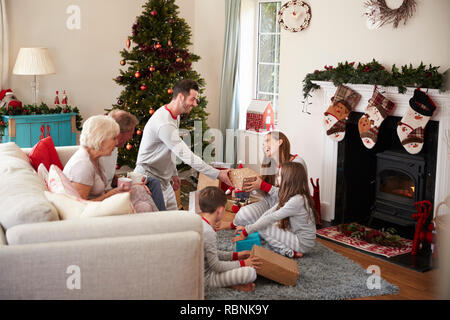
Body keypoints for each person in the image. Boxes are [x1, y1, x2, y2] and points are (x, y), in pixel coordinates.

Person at [135, 79, 232, 210]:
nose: (195, 104)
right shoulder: (164, 123)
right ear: (181, 97)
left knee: (175, 220)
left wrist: (174, 173)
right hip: (149, 178)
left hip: (164, 180)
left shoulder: (175, 116)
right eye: (192, 99)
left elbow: (170, 149)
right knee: (160, 223)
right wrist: (218, 174)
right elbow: (186, 155)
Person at [219, 131, 308, 230]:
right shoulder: (270, 165)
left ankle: (257, 228)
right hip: (270, 204)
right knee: (244, 213)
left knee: (273, 227)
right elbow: (267, 195)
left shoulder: (296, 163)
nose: (264, 145)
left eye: (267, 141)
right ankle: (234, 225)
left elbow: (290, 196)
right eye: (263, 144)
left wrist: (262, 185)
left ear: (279, 142)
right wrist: (253, 186)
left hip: (289, 208)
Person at [232, 162, 317, 258]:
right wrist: (249, 227)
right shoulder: (291, 196)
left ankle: (288, 251)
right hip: (297, 237)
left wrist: (247, 231)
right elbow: (269, 213)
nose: (277, 178)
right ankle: (288, 250)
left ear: (288, 180)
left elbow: (272, 217)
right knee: (263, 224)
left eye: (280, 176)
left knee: (263, 227)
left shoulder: (297, 200)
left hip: (303, 244)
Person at [100, 109, 166, 211]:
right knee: (142, 193)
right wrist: (130, 187)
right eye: (130, 133)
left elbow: (108, 176)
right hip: (107, 195)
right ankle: (162, 219)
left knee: (152, 182)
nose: (131, 137)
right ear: (119, 132)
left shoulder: (114, 148)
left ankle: (161, 217)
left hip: (112, 189)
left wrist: (129, 181)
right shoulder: (102, 152)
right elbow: (99, 188)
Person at [199, 186, 261, 292]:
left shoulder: (198, 222)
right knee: (250, 273)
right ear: (221, 210)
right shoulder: (209, 232)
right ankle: (230, 283)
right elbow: (216, 266)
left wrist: (236, 256)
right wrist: (243, 263)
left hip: (199, 271)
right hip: (205, 278)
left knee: (239, 268)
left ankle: (231, 282)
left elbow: (210, 253)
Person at [63, 115, 126, 201]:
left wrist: (116, 191)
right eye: (114, 138)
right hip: (92, 212)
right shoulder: (82, 166)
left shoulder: (95, 158)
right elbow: (80, 206)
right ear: (100, 139)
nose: (117, 142)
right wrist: (110, 195)